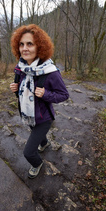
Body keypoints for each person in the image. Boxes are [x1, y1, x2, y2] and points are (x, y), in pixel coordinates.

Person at [10, 24, 69, 179]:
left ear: (40, 47)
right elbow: (22, 93)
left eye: (30, 44)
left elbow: (63, 95)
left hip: (44, 118)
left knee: (28, 152)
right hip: (28, 114)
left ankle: (37, 164)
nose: (24, 48)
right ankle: (44, 143)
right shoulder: (21, 68)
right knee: (38, 136)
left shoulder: (51, 72)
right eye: (21, 44)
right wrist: (16, 89)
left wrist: (46, 94)